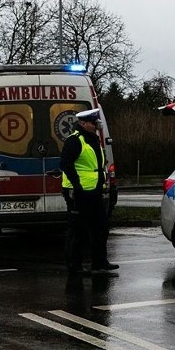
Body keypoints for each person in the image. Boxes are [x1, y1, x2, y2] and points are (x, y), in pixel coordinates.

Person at [60, 108, 119, 274]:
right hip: (78, 192)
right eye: (93, 122)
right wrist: (76, 185)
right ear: (83, 123)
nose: (96, 125)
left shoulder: (93, 139)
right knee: (78, 230)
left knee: (100, 227)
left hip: (94, 191)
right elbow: (65, 164)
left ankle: (99, 262)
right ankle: (74, 266)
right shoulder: (75, 140)